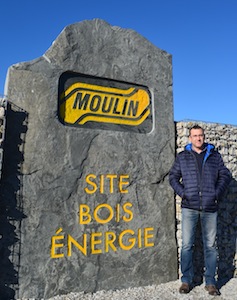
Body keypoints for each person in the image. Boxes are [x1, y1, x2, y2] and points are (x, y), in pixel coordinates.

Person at [169, 124, 231, 296]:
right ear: (190, 138)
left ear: (204, 137)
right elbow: (173, 177)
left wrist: (216, 194)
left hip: (210, 208)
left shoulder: (214, 156)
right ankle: (186, 281)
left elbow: (225, 175)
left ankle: (210, 282)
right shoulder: (183, 157)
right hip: (190, 207)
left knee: (211, 246)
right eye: (195, 136)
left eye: (200, 135)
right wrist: (183, 193)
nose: (198, 138)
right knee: (187, 245)